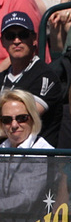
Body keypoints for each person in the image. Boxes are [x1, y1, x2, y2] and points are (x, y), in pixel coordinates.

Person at [0, 12, 64, 146]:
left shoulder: (45, 76)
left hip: (37, 157)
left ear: (34, 39)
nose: (17, 41)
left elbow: (19, 123)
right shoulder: (3, 77)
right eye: (10, 36)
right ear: (3, 42)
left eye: (23, 35)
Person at [0, 91, 52, 215]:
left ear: (33, 118)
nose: (14, 125)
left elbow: (27, 198)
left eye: (21, 118)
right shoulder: (2, 148)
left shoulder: (43, 152)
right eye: (7, 119)